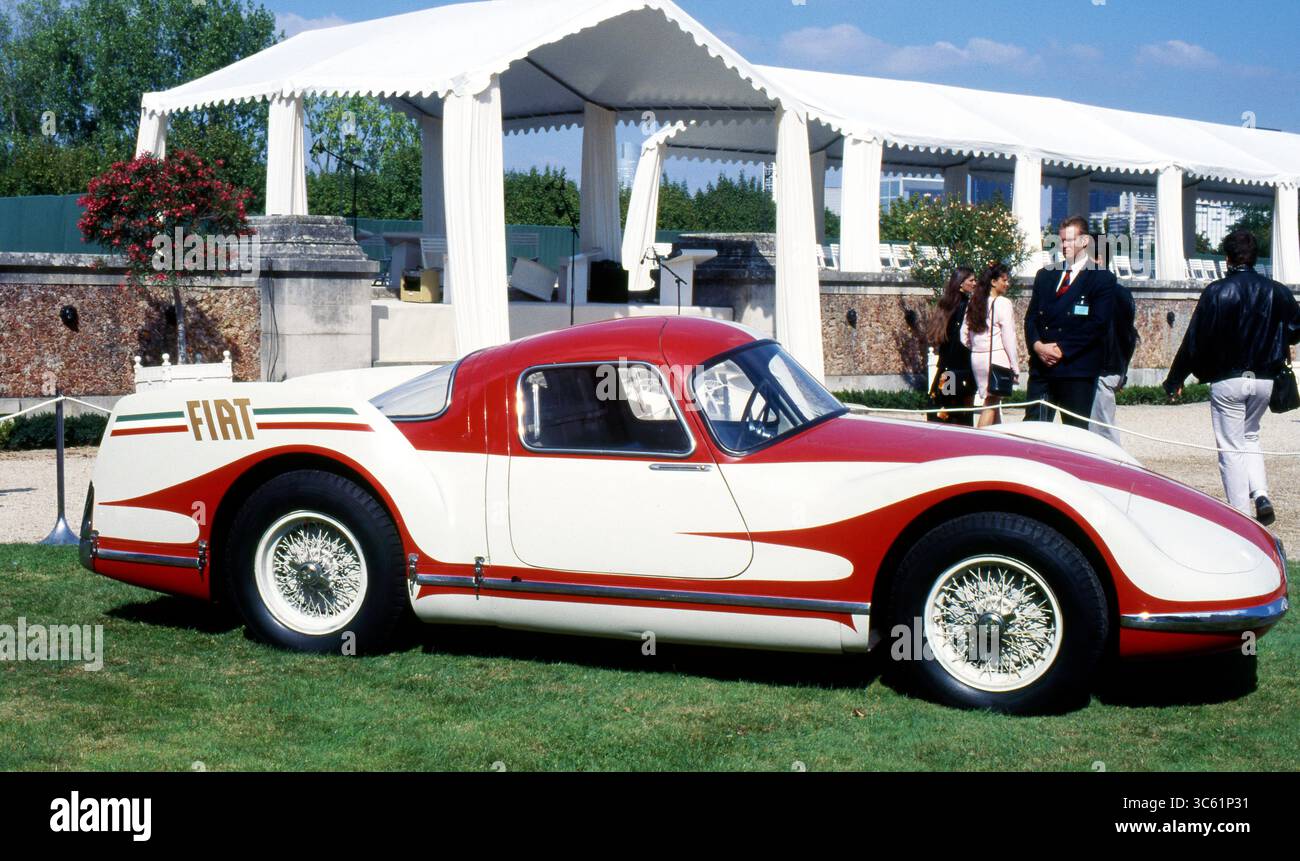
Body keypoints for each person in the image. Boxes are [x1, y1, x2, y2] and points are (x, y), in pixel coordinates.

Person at [1164, 229, 1300, 524]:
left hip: (1228, 379)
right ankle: (1261, 493)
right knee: (1250, 435)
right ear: (1254, 258)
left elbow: (1194, 341)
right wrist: (1279, 335)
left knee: (1231, 446)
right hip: (1264, 379)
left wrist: (1174, 380)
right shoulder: (1278, 291)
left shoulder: (1217, 291)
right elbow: (1296, 329)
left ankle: (1241, 516)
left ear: (1227, 259)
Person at [1024, 215, 1116, 428]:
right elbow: (1031, 318)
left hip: (1075, 370)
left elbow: (1097, 324)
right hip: (1042, 368)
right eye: (1062, 240)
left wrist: (1061, 349)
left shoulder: (1101, 278)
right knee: (1033, 430)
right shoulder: (1045, 275)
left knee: (1074, 434)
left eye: (1069, 240)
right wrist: (1038, 346)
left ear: (1084, 241)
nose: (1064, 245)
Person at [961, 262, 1020, 428]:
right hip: (997, 357)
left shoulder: (974, 302)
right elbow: (1008, 337)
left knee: (994, 401)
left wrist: (976, 347)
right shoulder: (1002, 303)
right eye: (1004, 280)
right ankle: (979, 439)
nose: (1007, 284)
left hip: (978, 357)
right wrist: (1014, 365)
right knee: (991, 401)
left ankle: (998, 438)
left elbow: (963, 335)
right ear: (993, 282)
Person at [925, 267, 977, 426]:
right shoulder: (965, 305)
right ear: (961, 283)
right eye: (971, 280)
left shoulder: (946, 304)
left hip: (946, 369)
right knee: (959, 411)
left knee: (946, 406)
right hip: (961, 368)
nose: (975, 283)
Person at [1090, 280, 1138, 444]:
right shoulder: (1123, 293)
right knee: (1102, 424)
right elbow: (1130, 335)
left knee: (1102, 429)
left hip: (1101, 368)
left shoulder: (1094, 290)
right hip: (1114, 365)